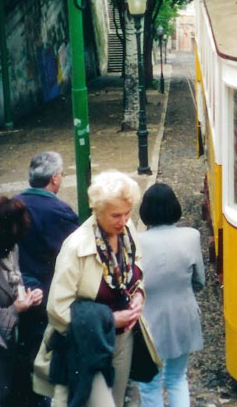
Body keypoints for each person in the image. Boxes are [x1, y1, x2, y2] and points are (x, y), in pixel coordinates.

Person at [33, 170, 157, 407]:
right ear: (97, 212)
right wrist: (110, 320)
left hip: (123, 339)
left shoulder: (127, 230)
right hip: (87, 344)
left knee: (117, 401)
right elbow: (57, 310)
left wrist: (139, 293)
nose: (123, 221)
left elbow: (136, 266)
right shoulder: (75, 248)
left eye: (127, 213)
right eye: (115, 215)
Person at [14, 151, 80, 407]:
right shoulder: (60, 211)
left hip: (19, 292)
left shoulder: (13, 204)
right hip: (48, 291)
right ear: (54, 179)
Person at [137, 182, 205, 407]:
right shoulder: (191, 236)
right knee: (177, 378)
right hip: (182, 315)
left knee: (149, 383)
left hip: (148, 321)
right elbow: (199, 281)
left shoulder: (136, 242)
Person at [0, 196, 43, 406]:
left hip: (14, 344)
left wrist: (28, 294)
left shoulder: (11, 247)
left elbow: (15, 275)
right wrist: (17, 307)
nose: (13, 249)